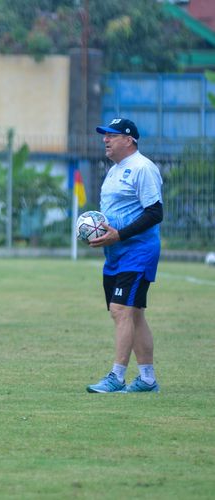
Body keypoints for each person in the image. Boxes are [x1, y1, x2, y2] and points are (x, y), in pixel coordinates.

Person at [86, 118, 163, 393]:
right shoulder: (114, 170)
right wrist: (95, 230)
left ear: (129, 139)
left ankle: (116, 377)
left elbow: (155, 212)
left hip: (138, 251)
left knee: (121, 311)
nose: (105, 139)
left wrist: (120, 234)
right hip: (116, 253)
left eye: (112, 135)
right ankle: (147, 379)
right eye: (104, 135)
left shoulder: (143, 168)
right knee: (134, 315)